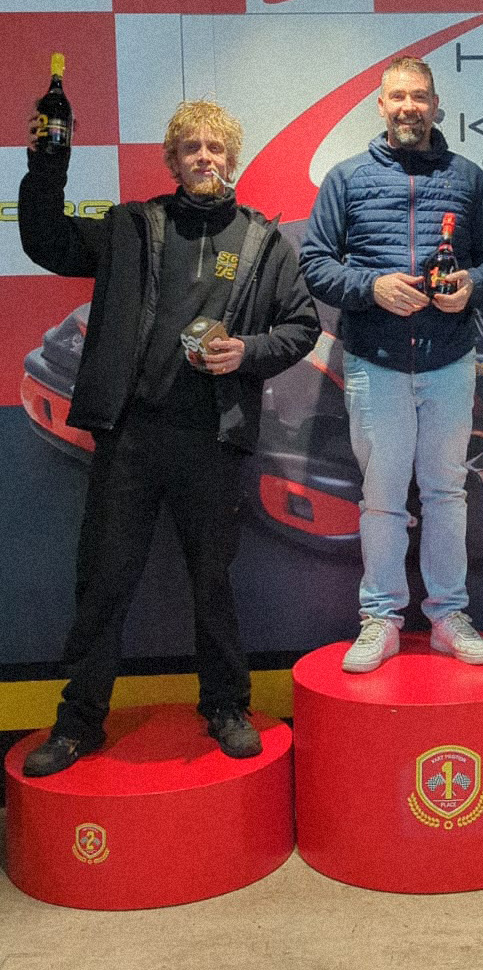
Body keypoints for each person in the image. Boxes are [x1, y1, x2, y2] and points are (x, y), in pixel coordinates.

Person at [19, 100, 321, 776]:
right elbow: (45, 241)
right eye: (191, 148)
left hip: (213, 441)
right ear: (173, 161)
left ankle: (226, 707)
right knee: (104, 583)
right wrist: (48, 162)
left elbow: (301, 327)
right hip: (129, 438)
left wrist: (247, 350)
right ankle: (78, 722)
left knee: (212, 584)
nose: (204, 157)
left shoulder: (265, 243)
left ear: (231, 159)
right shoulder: (131, 227)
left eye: (215, 147)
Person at [300, 56, 483, 673]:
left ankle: (448, 616)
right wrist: (372, 288)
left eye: (419, 96)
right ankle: (381, 618)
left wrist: (471, 287)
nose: (409, 108)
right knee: (383, 496)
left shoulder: (467, 178)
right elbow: (315, 263)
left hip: (449, 359)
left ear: (435, 104)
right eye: (398, 97)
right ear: (381, 105)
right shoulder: (347, 178)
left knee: (446, 492)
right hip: (376, 361)